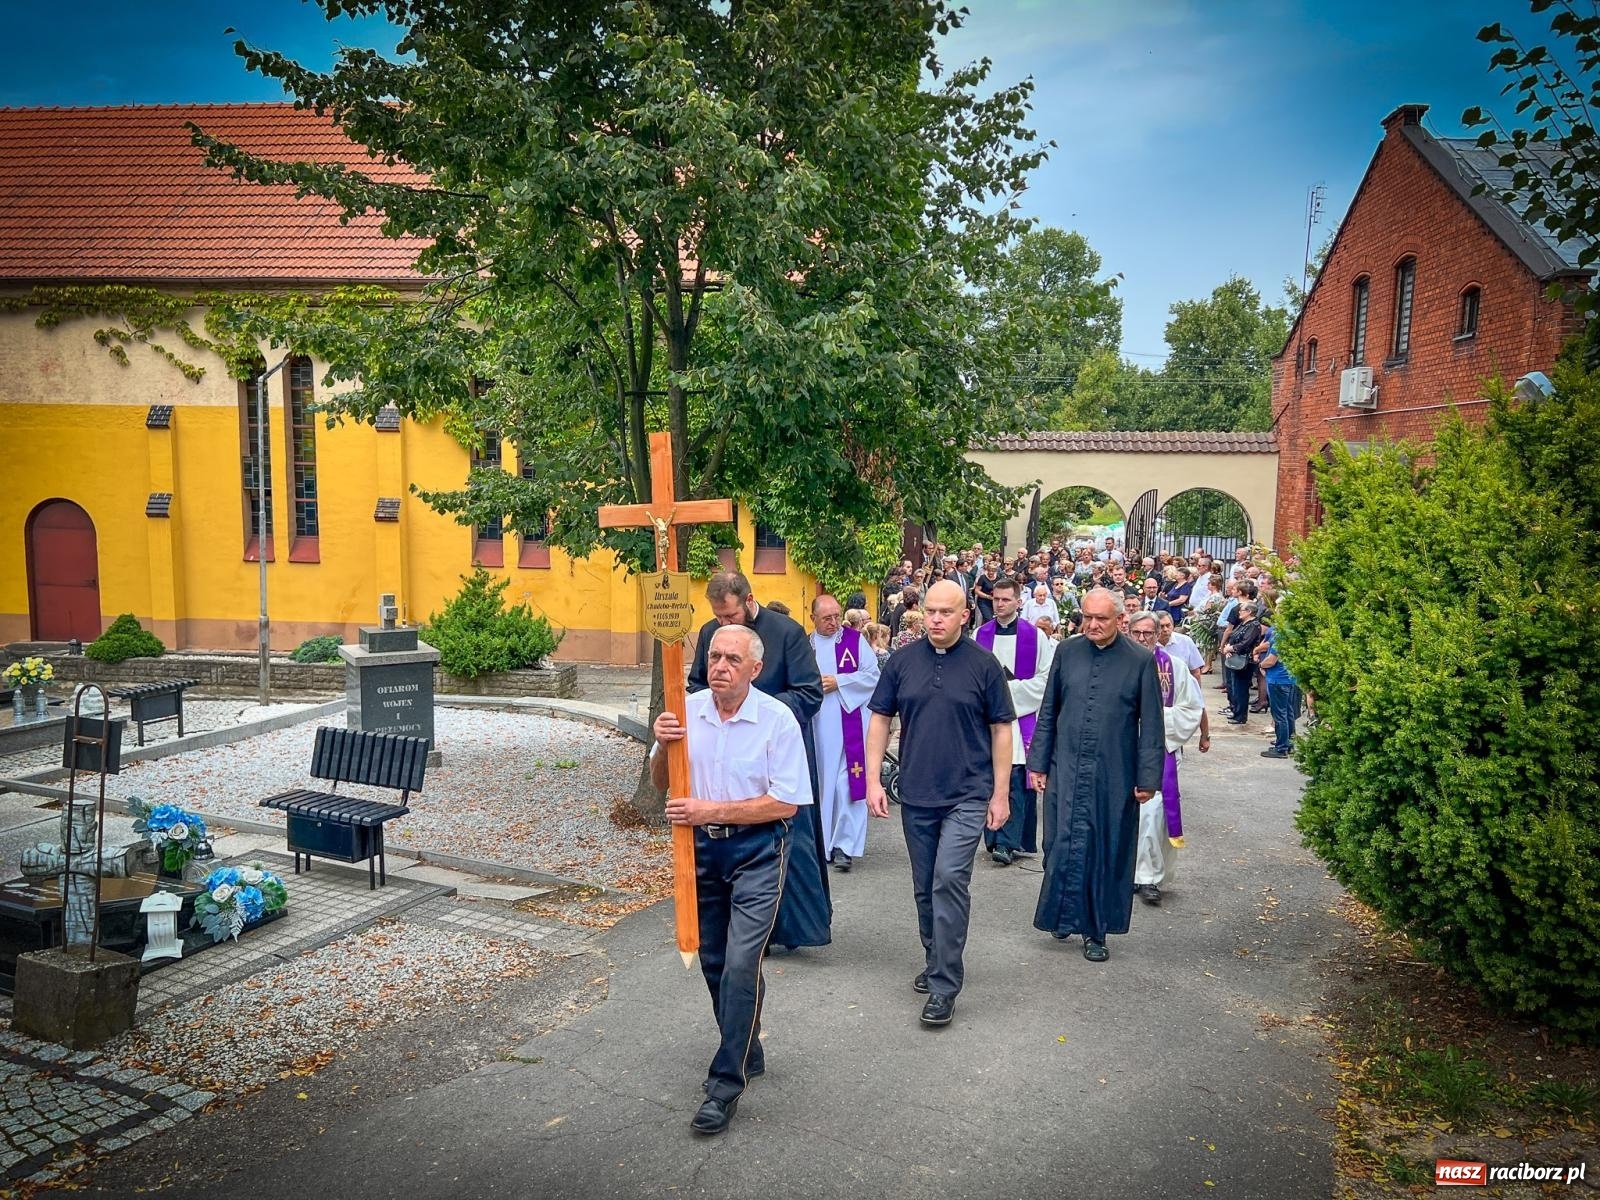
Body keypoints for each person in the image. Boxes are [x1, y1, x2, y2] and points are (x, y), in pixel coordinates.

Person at [651, 625, 810, 1135]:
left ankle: (725, 1084)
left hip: (759, 849)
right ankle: (748, 1043)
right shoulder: (686, 712)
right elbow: (664, 785)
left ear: (755, 669)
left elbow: (786, 801)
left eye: (732, 659)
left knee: (743, 959)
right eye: (715, 656)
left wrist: (708, 809)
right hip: (701, 850)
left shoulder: (777, 719)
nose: (720, 666)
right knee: (715, 960)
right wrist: (660, 747)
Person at [865, 580, 1014, 1027]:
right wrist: (873, 780)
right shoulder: (902, 662)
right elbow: (879, 720)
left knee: (949, 879)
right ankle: (935, 957)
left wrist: (1001, 793)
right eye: (930, 611)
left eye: (945, 612)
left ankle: (946, 983)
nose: (934, 619)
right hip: (917, 792)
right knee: (925, 883)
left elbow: (1002, 730)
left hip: (968, 793)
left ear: (965, 614)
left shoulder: (984, 666)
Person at [687, 572, 830, 950]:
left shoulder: (786, 632)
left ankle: (793, 929)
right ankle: (743, 934)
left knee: (789, 841)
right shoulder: (709, 633)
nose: (723, 625)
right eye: (717, 618)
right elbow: (697, 684)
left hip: (779, 745)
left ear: (749, 602)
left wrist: (759, 710)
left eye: (730, 617)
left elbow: (809, 692)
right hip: (724, 746)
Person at [1026, 588, 1164, 963]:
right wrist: (1038, 762)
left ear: (1120, 620)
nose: (1092, 624)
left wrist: (1148, 777)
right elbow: (1049, 708)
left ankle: (1095, 930)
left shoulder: (1138, 660)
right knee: (1059, 843)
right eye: (1087, 617)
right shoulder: (1067, 651)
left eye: (1100, 618)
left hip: (1113, 770)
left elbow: (1151, 723)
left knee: (1105, 848)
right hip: (1065, 764)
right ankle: (1061, 914)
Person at [974, 578, 1056, 866]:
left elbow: (1047, 680)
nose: (999, 604)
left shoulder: (1036, 638)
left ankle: (1009, 842)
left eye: (1006, 599)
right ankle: (993, 836)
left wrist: (1007, 692)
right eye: (996, 599)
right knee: (991, 779)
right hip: (988, 721)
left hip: (1021, 722)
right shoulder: (979, 635)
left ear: (1019, 602)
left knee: (1017, 783)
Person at [1126, 613, 1203, 906]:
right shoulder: (1116, 664)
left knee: (1151, 817)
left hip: (1160, 751)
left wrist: (1152, 718)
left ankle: (1148, 877)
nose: (1143, 638)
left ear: (1159, 634)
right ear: (1128, 631)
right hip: (1121, 750)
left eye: (1149, 633)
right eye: (1137, 632)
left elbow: (1191, 710)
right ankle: (1124, 872)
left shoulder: (1175, 668)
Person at [809, 594, 881, 871]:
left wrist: (839, 681)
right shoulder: (806, 645)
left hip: (850, 723)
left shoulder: (853, 640)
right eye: (827, 617)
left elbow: (872, 675)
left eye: (837, 616)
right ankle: (822, 843)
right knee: (823, 786)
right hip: (817, 726)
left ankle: (844, 846)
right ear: (812, 616)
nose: (834, 622)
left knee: (847, 785)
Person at [1157, 612, 1210, 755]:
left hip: (1182, 688)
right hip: (1160, 694)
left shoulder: (1185, 642)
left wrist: (1195, 690)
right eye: (1162, 626)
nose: (1166, 629)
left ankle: (1205, 736)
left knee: (1197, 707)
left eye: (1169, 625)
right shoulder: (1150, 645)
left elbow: (1195, 671)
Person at [1256, 621, 1301, 759]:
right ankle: (1289, 744)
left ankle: (1281, 748)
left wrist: (1261, 665)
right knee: (1288, 713)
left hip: (1278, 679)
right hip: (1291, 678)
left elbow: (1271, 660)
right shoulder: (1295, 632)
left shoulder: (1281, 634)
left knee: (1279, 714)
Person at [1222, 600, 1264, 724]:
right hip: (1235, 657)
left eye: (1242, 610)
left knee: (1241, 688)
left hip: (1245, 660)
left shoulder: (1254, 625)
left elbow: (1246, 642)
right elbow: (1233, 637)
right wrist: (1228, 646)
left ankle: (1240, 716)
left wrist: (1232, 648)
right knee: (1235, 686)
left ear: (1249, 612)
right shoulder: (1243, 623)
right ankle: (1236, 712)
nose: (1239, 612)